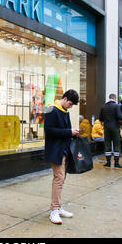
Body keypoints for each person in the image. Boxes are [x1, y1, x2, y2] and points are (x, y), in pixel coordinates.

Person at [44, 89, 80, 225]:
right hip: (55, 150)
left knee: (61, 178)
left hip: (63, 149)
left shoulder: (64, 110)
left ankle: (57, 207)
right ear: (64, 99)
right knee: (59, 178)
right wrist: (69, 131)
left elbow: (62, 130)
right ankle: (54, 210)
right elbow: (49, 130)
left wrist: (72, 133)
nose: (70, 106)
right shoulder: (52, 110)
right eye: (70, 104)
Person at [99, 93, 122, 168]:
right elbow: (119, 116)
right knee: (116, 144)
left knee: (107, 144)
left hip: (106, 128)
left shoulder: (103, 106)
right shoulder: (116, 106)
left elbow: (100, 118)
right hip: (115, 127)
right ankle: (116, 163)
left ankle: (108, 162)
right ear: (115, 98)